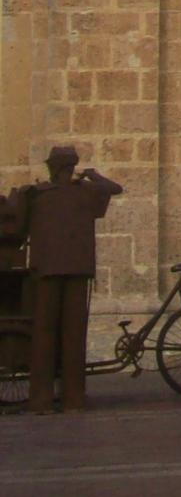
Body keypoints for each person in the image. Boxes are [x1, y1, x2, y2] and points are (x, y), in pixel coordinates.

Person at [14, 145, 122, 413]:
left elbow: (17, 228)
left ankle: (41, 400)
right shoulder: (86, 192)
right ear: (71, 167)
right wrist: (93, 175)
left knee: (44, 335)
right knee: (74, 335)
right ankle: (74, 398)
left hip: (47, 271)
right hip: (78, 270)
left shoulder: (36, 195)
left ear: (53, 167)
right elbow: (114, 188)